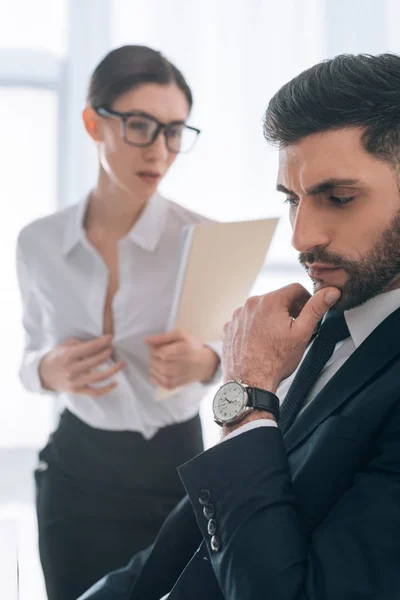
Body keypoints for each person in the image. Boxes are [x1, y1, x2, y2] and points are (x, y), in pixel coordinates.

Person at [79, 52, 400, 600]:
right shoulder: (324, 321)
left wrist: (248, 394)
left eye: (338, 198)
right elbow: (196, 541)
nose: (300, 237)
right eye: (292, 200)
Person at [16, 45, 222, 600]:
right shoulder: (37, 241)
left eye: (174, 131)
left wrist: (204, 361)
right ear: (93, 122)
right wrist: (48, 372)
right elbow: (31, 357)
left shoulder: (202, 237)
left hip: (177, 470)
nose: (159, 150)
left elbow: (236, 351)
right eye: (140, 126)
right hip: (77, 474)